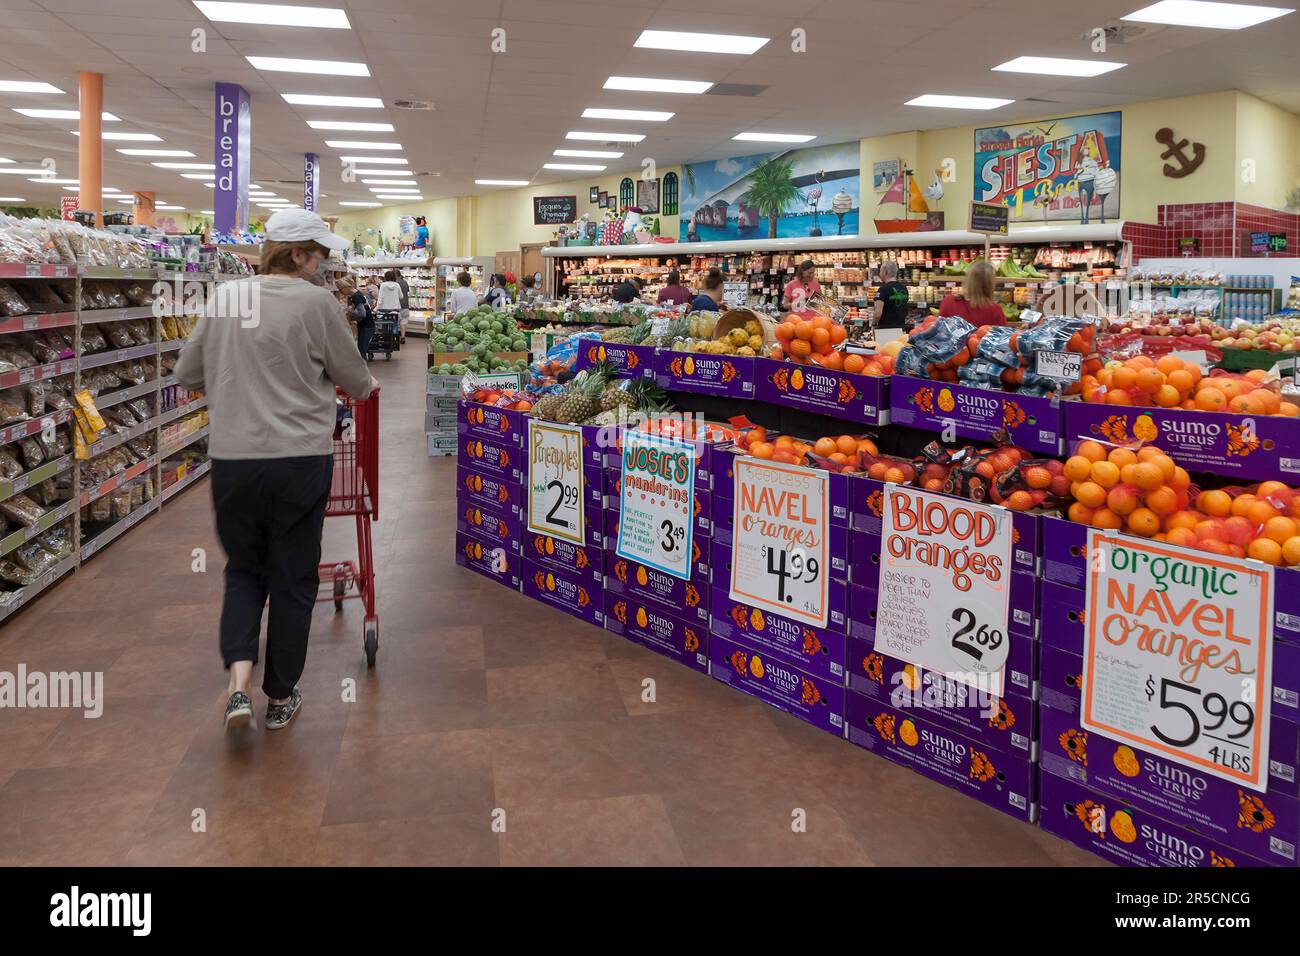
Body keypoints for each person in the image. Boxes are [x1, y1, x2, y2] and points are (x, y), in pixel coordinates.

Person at [174, 207, 376, 733]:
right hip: (298, 460)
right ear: (297, 254)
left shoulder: (226, 297)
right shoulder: (316, 303)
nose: (323, 263)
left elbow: (188, 373)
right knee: (292, 576)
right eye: (319, 253)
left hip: (234, 462)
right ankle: (281, 696)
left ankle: (237, 686)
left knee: (243, 569)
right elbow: (355, 379)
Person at [938, 261, 1006, 327]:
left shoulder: (948, 302)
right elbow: (1002, 337)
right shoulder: (994, 309)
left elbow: (938, 331)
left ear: (967, 279)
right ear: (990, 284)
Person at [873, 260, 911, 343]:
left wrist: (873, 324)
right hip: (900, 329)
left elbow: (878, 313)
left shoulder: (883, 289)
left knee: (886, 353)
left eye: (880, 271)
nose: (879, 273)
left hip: (885, 330)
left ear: (885, 272)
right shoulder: (903, 288)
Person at [349, 279, 376, 358]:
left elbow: (362, 313)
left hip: (366, 326)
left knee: (362, 349)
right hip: (367, 325)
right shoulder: (358, 294)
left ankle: (362, 366)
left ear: (346, 288)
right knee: (362, 348)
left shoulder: (356, 297)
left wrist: (351, 316)